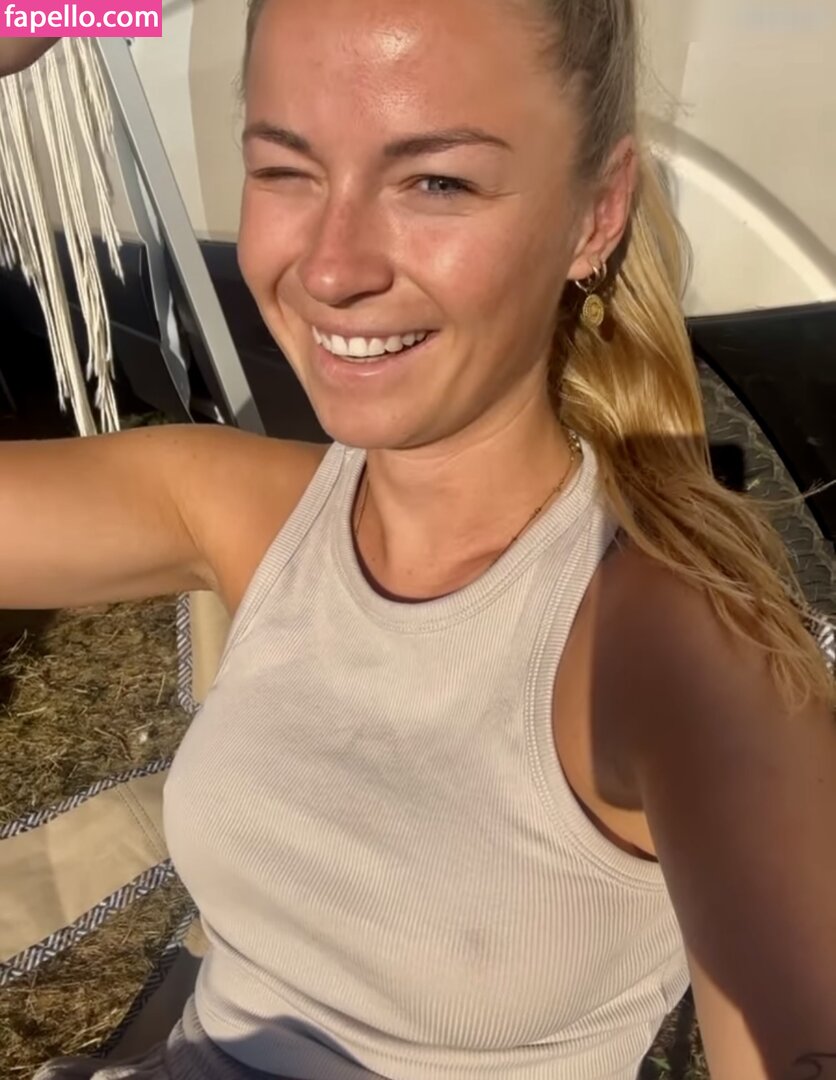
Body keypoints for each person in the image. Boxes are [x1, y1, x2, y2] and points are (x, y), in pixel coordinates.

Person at [3, 0, 833, 1077]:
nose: (331, 267)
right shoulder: (244, 511)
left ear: (597, 212)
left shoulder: (667, 648)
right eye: (285, 170)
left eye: (435, 182)